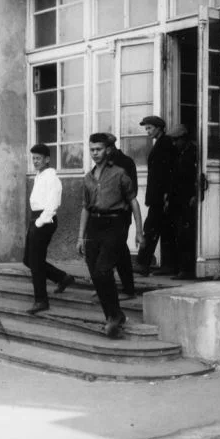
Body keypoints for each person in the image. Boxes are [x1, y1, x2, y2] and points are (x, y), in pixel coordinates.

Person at [77, 133, 145, 338]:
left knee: (103, 270)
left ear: (107, 150)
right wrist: (80, 237)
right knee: (95, 273)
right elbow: (85, 208)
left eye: (98, 149)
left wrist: (139, 231)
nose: (95, 153)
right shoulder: (88, 178)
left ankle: (114, 316)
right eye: (92, 150)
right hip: (94, 225)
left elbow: (133, 201)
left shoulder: (119, 173)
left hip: (115, 224)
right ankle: (113, 316)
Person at [23, 143, 75, 315]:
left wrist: (38, 223)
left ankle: (41, 301)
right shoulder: (39, 176)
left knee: (36, 262)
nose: (35, 161)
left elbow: (52, 206)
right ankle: (62, 278)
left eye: (38, 158)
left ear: (47, 159)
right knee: (28, 260)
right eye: (33, 158)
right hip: (36, 219)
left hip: (44, 220)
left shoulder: (52, 178)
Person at [135, 115, 175, 276]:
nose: (148, 131)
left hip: (160, 197)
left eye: (150, 128)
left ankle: (143, 264)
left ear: (159, 128)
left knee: (151, 229)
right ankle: (165, 265)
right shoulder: (160, 143)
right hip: (157, 196)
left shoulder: (165, 144)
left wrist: (166, 195)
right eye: (146, 128)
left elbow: (167, 172)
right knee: (161, 229)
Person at [102, 133, 136, 299]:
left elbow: (131, 190)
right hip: (104, 215)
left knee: (120, 250)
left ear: (110, 148)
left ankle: (129, 290)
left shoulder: (125, 162)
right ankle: (106, 287)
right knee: (107, 251)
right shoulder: (103, 163)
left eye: (103, 148)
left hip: (120, 214)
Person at [167, 124, 198, 280]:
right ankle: (180, 267)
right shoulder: (180, 153)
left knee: (186, 234)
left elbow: (195, 176)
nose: (174, 143)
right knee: (179, 234)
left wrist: (195, 195)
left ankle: (187, 269)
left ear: (184, 138)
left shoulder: (193, 153)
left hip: (188, 200)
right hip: (177, 200)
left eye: (176, 140)